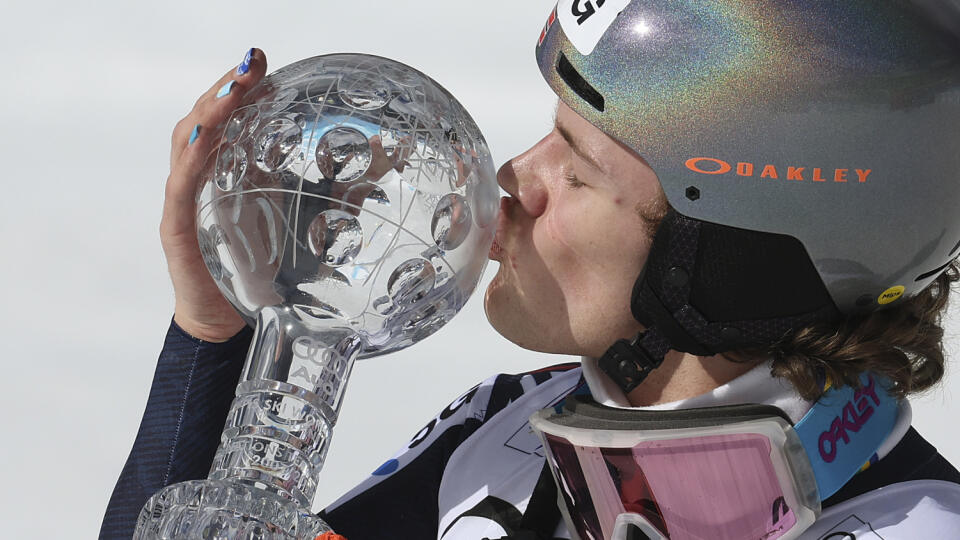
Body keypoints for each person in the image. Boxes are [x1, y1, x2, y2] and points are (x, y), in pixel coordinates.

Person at [101, 1, 960, 538]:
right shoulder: (506, 435)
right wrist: (218, 336)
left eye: (578, 171)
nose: (511, 182)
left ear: (732, 261)